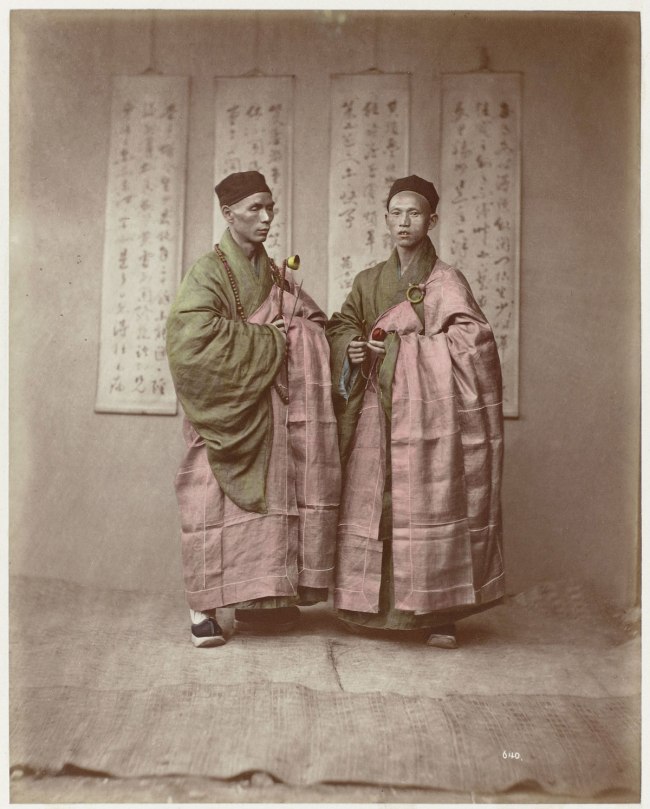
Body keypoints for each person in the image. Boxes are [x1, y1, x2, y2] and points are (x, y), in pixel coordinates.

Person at [326, 174, 504, 648]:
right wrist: (354, 350)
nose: (404, 222)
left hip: (426, 416)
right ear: (385, 219)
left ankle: (438, 611)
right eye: (396, 213)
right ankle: (366, 606)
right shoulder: (368, 281)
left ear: (432, 220)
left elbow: (472, 343)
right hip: (373, 410)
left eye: (415, 213)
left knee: (427, 503)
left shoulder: (445, 281)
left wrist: (401, 353)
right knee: (372, 503)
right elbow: (341, 325)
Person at [166, 170, 340, 647]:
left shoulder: (276, 274)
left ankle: (260, 605)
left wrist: (300, 336)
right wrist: (268, 340)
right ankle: (202, 608)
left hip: (273, 412)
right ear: (228, 214)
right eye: (254, 209)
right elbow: (190, 342)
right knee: (208, 500)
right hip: (226, 410)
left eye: (270, 208)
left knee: (268, 511)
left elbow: (312, 322)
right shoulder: (208, 271)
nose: (265, 218)